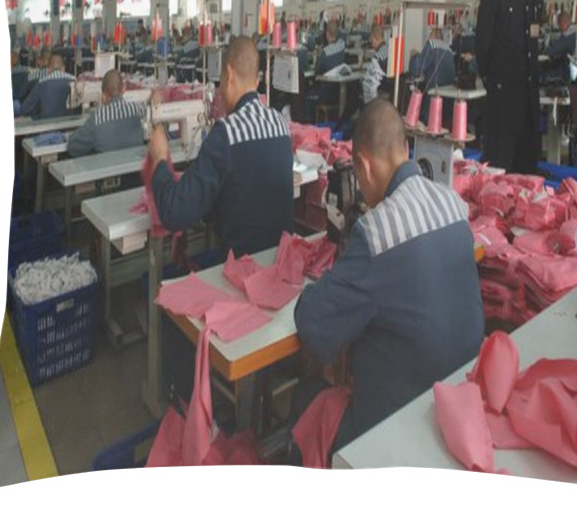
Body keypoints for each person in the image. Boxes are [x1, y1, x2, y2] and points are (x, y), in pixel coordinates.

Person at [291, 99, 484, 461]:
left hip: (401, 429)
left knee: (304, 398)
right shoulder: (453, 205)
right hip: (461, 408)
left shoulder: (377, 233)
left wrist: (317, 290)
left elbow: (313, 325)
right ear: (406, 149)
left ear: (362, 165)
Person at [148, 35, 295, 259]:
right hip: (281, 263)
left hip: (243, 273)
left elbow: (174, 212)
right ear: (256, 81)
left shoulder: (226, 134)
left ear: (229, 75)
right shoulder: (280, 125)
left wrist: (159, 157)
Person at [476, 0, 546, 174]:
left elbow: (534, 33)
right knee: (500, 180)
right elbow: (482, 44)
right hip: (503, 103)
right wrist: (496, 87)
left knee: (529, 179)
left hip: (529, 100)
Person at [66, 69, 146, 157]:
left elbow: (73, 147)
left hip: (107, 169)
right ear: (123, 89)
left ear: (103, 94)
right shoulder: (137, 109)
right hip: (135, 169)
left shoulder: (98, 117)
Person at [19, 53, 75, 119]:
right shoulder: (74, 80)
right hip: (70, 124)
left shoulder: (42, 83)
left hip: (47, 125)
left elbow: (25, 109)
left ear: (48, 70)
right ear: (63, 68)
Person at [361, 23, 389, 105]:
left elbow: (370, 85)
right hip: (388, 89)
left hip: (379, 91)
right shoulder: (389, 49)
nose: (370, 41)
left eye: (371, 38)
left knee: (355, 91)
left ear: (375, 37)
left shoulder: (377, 57)